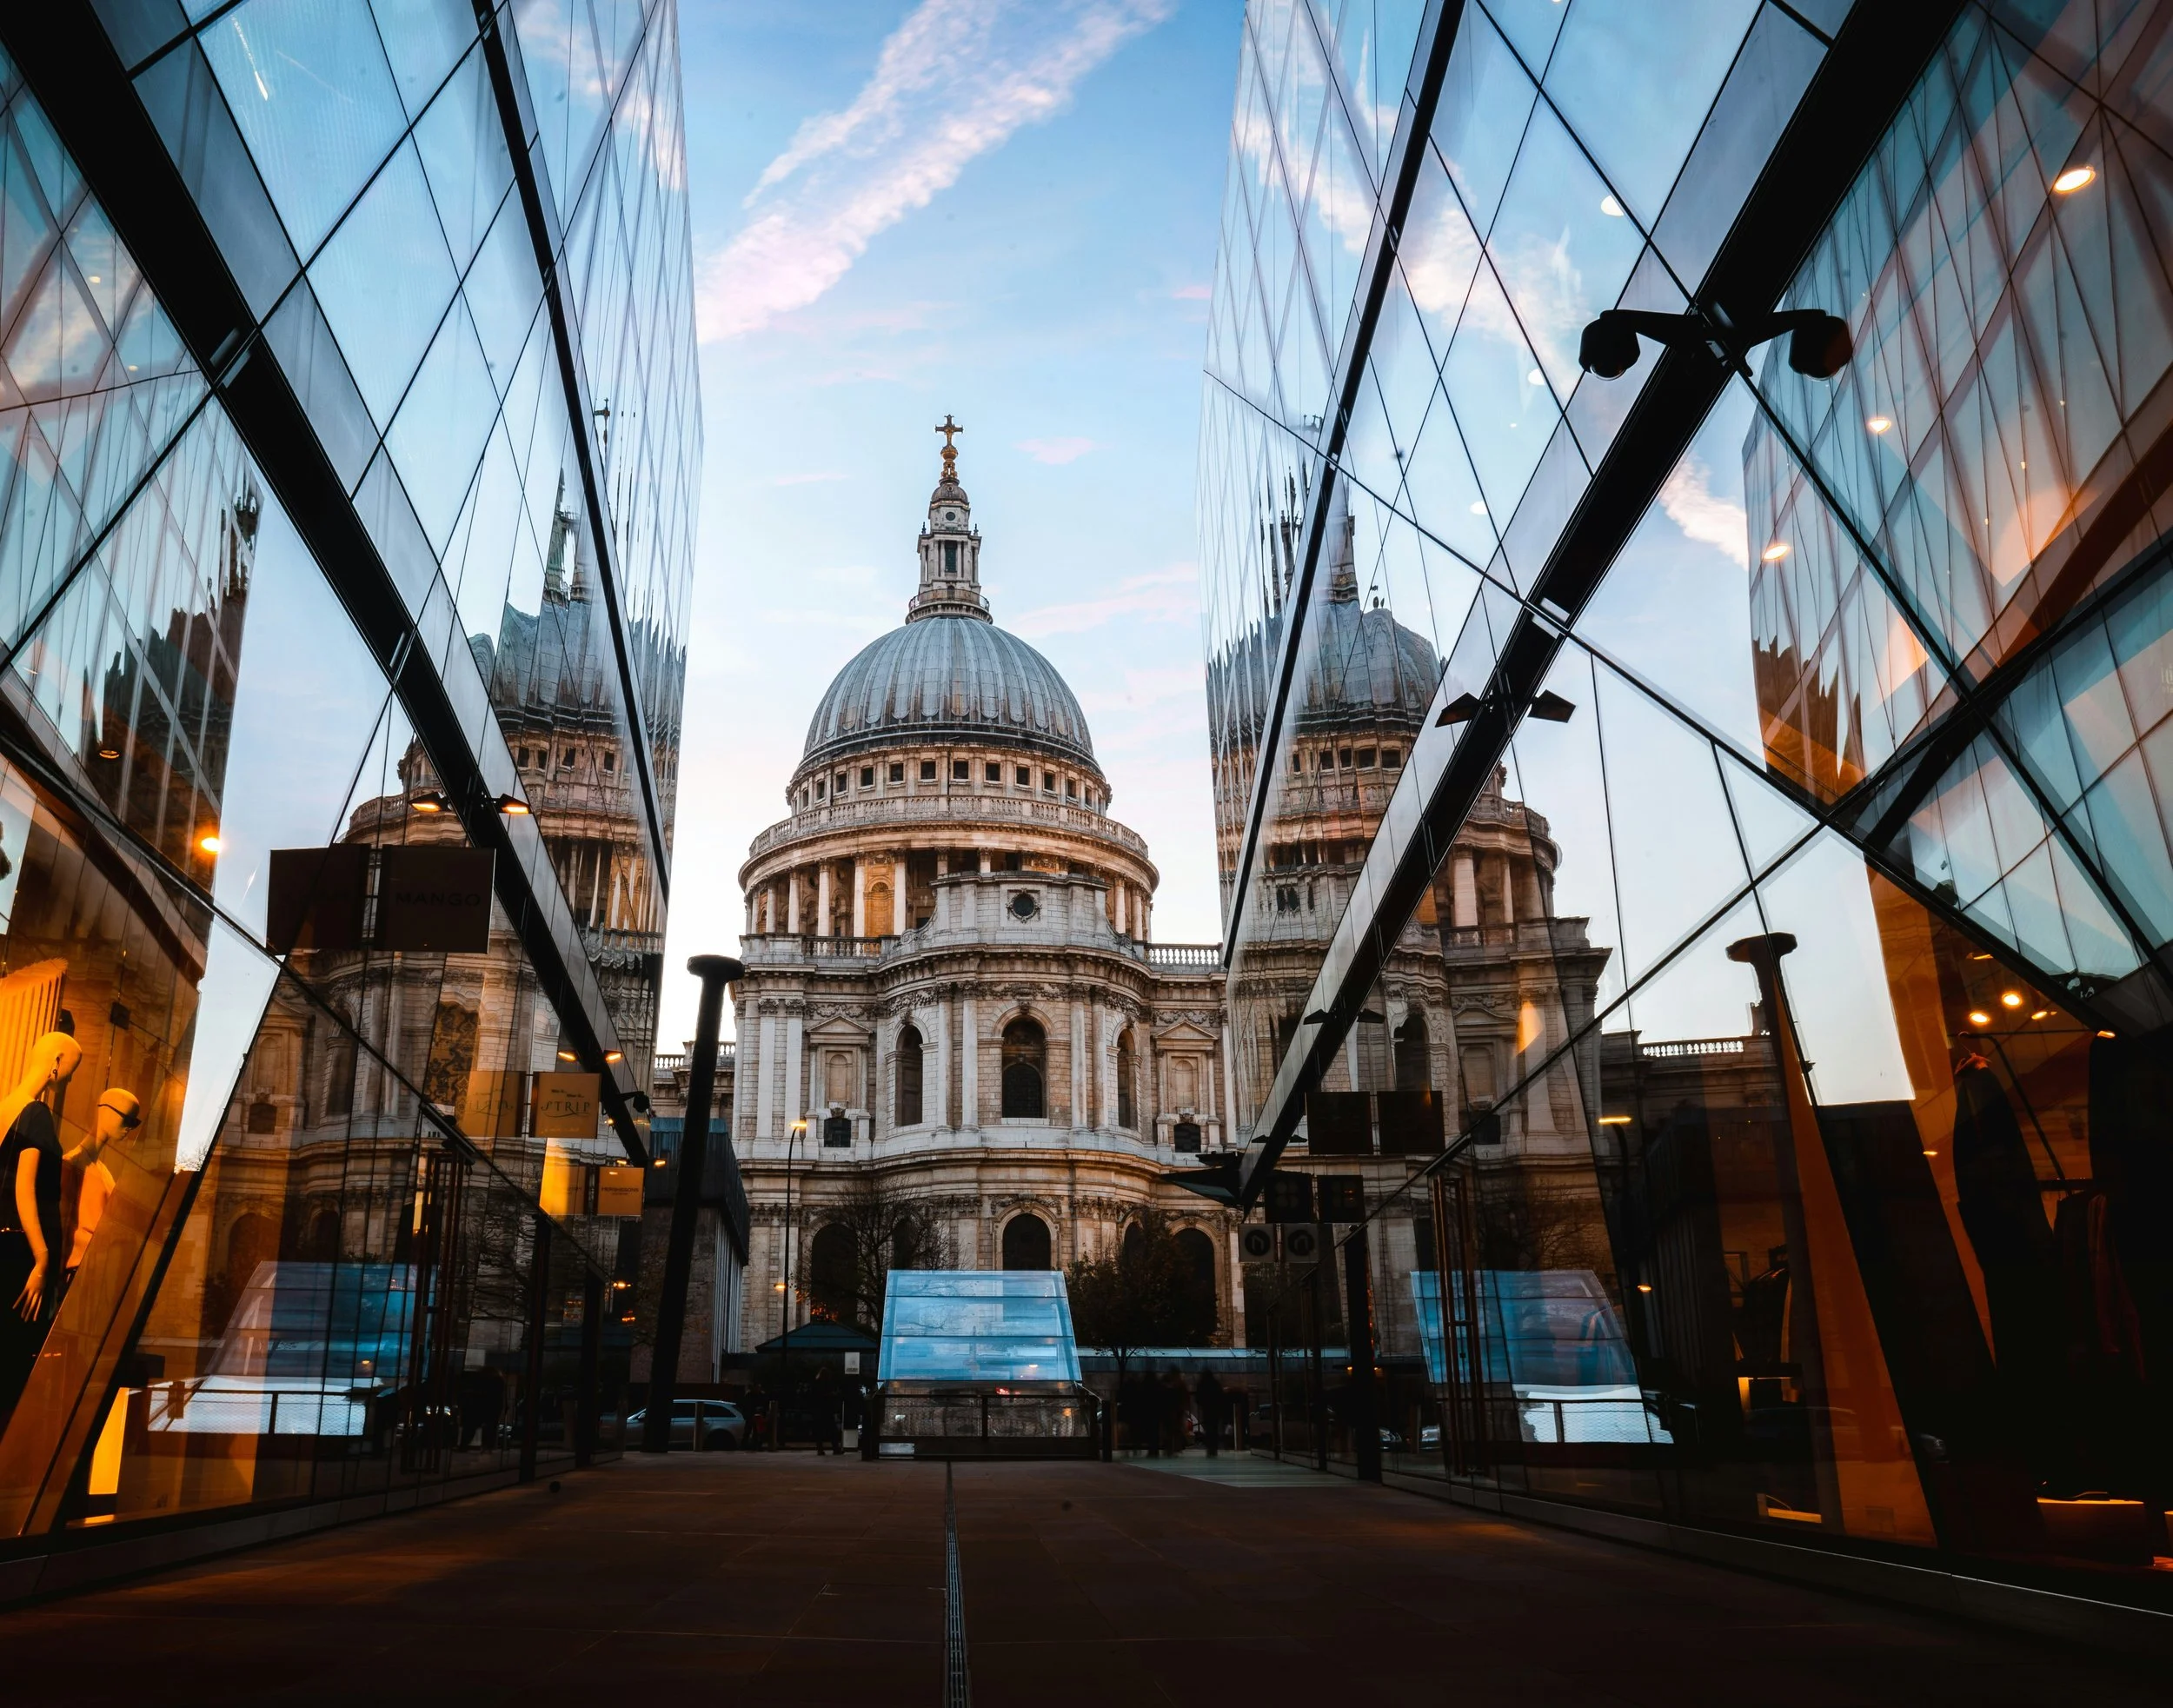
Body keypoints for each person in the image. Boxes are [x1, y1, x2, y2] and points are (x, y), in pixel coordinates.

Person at [0, 1033, 84, 1418]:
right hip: (19, 1250)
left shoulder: (5, 1107)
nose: (65, 1081)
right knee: (14, 1359)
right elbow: (23, 1189)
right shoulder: (35, 1113)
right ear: (56, 1061)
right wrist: (41, 1256)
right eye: (69, 1073)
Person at [63, 1087, 140, 1295]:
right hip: (76, 1273)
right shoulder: (73, 1163)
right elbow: (60, 1226)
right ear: (105, 1111)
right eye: (127, 1119)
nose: (128, 1128)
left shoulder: (104, 1171)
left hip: (99, 1274)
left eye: (134, 1123)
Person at [1197, 1369, 1226, 1458]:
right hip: (1215, 1411)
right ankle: (1214, 1448)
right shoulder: (1215, 1384)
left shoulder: (1202, 1384)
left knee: (1209, 1429)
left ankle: (1210, 1448)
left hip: (1207, 1410)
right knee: (1214, 1429)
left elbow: (1198, 1398)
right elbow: (1221, 1397)